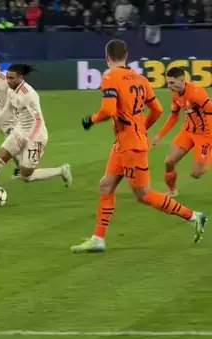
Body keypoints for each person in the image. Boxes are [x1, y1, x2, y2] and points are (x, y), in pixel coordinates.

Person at [71, 40, 207, 253]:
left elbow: (108, 110)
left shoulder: (110, 77)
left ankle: (194, 216)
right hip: (123, 143)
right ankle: (98, 239)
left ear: (107, 58)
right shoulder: (140, 79)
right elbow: (157, 110)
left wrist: (91, 120)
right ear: (126, 56)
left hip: (131, 146)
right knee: (106, 185)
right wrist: (142, 128)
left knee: (143, 194)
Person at [0, 63, 72, 207]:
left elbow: (38, 121)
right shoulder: (11, 91)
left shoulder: (29, 95)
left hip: (36, 137)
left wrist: (31, 139)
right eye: (7, 77)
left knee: (26, 175)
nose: (8, 81)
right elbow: (7, 110)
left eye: (11, 78)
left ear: (20, 77)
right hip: (19, 131)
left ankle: (61, 171)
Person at [152, 67, 212, 197]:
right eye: (168, 83)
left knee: (196, 174)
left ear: (182, 80)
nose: (169, 86)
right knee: (169, 162)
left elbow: (210, 112)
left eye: (172, 83)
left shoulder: (196, 93)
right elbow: (174, 116)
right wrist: (160, 135)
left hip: (205, 135)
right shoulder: (175, 95)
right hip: (188, 131)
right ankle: (172, 190)